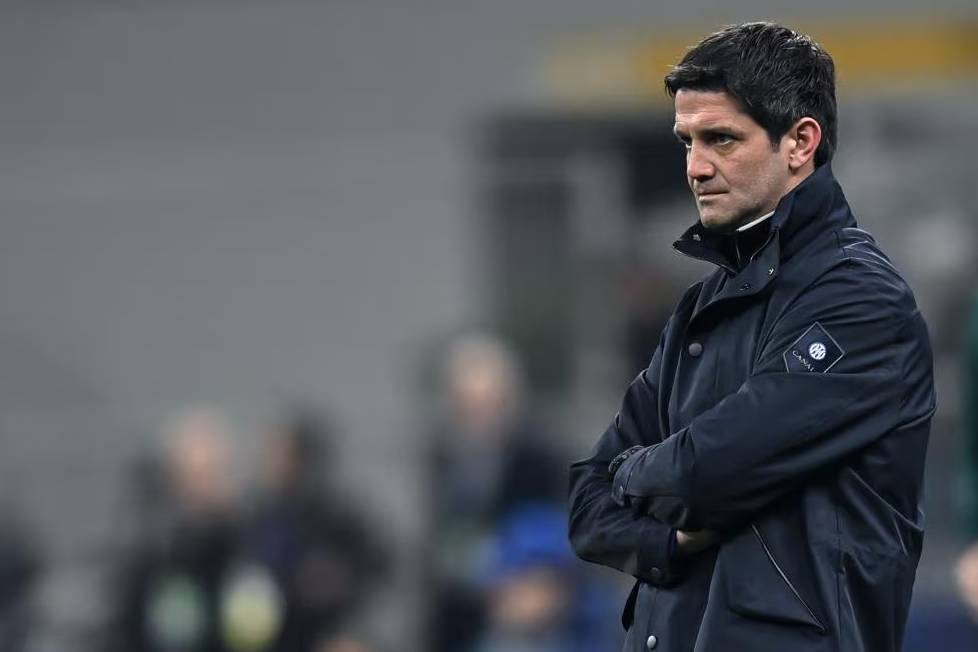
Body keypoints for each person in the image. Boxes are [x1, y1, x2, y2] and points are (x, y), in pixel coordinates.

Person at [568, 22, 935, 652]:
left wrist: (631, 473)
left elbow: (702, 475)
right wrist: (667, 540)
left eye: (721, 139)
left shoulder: (863, 300)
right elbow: (584, 505)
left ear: (800, 143)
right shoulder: (700, 306)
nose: (696, 167)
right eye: (687, 142)